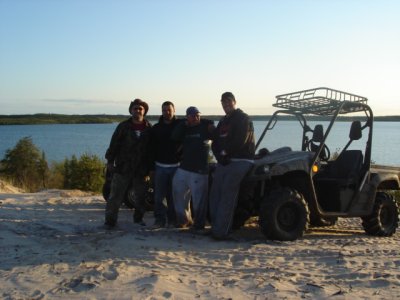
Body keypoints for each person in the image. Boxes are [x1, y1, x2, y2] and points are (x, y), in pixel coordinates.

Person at [209, 92, 255, 240]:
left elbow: (241, 140)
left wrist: (225, 152)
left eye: (229, 101)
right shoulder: (223, 121)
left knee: (228, 194)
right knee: (215, 194)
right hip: (225, 161)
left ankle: (222, 232)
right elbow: (215, 141)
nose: (226, 104)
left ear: (235, 102)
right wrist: (219, 156)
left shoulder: (243, 119)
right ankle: (215, 227)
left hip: (241, 160)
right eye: (223, 102)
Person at [104, 99, 152, 228]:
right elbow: (114, 144)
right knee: (115, 196)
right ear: (131, 110)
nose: (137, 110)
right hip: (122, 167)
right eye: (135, 108)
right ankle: (110, 221)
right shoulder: (123, 126)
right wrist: (110, 161)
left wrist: (151, 168)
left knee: (141, 197)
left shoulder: (149, 128)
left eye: (140, 108)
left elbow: (152, 149)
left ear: (144, 111)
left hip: (142, 169)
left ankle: (138, 219)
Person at [171, 106, 215, 231]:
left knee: (199, 200)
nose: (196, 118)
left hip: (200, 170)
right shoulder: (185, 129)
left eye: (198, 115)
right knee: (178, 192)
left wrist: (208, 122)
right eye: (192, 116)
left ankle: (199, 224)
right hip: (184, 167)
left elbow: (216, 133)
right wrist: (184, 124)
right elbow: (174, 136)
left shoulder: (205, 128)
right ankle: (184, 220)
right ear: (187, 117)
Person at [149, 101, 181, 228]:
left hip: (177, 166)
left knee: (173, 196)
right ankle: (160, 220)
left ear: (174, 110)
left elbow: (197, 120)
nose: (167, 112)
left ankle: (172, 220)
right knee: (159, 196)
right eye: (164, 110)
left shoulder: (181, 125)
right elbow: (151, 148)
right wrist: (151, 168)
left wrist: (210, 124)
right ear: (161, 111)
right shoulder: (156, 128)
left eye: (169, 110)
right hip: (160, 166)